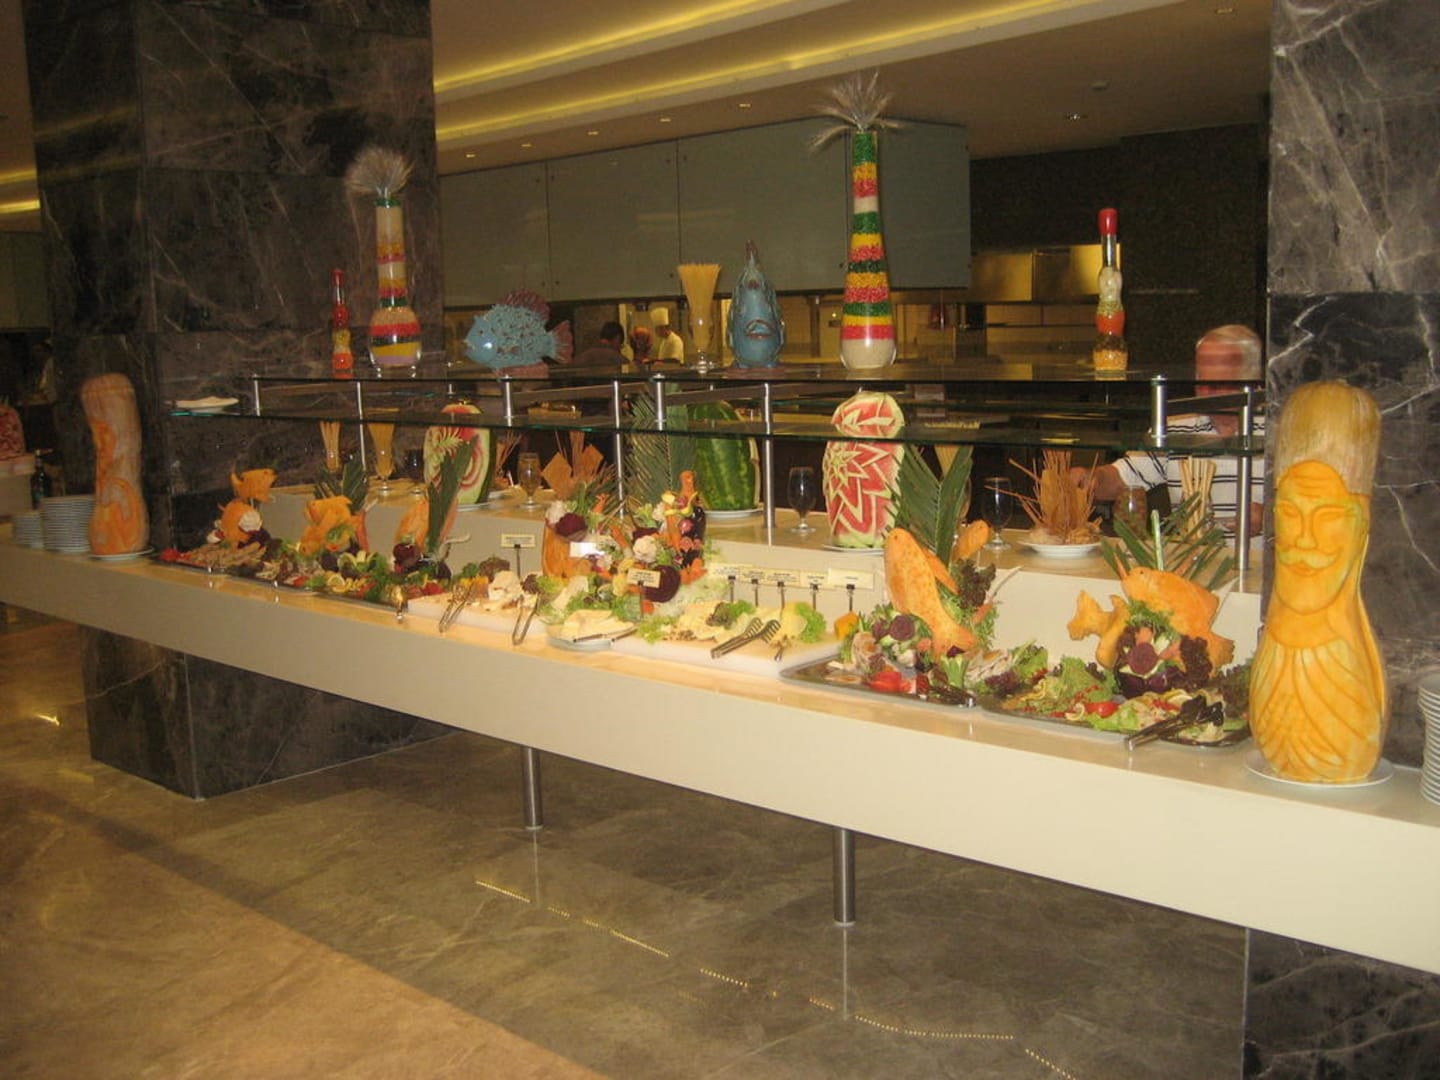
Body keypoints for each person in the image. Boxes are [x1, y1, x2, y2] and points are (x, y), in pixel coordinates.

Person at [1073, 324, 1266, 534]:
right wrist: (1090, 478)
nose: (1206, 392)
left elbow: (1295, 505)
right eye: (1201, 381)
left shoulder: (1280, 428)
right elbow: (1124, 478)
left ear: (1252, 381)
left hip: (1262, 554)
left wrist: (1269, 517)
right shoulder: (1176, 424)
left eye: (1217, 384)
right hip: (1191, 553)